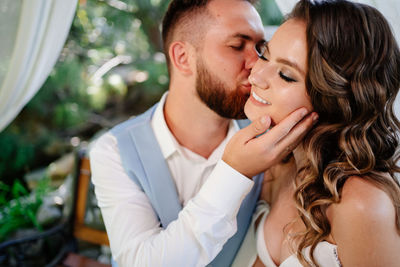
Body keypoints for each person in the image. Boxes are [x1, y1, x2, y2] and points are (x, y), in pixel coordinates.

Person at [89, 0, 316, 266]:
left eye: (260, 48)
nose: (257, 65)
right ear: (183, 58)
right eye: (236, 46)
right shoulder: (113, 151)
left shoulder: (274, 136)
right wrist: (235, 172)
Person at [225, 0, 400, 266]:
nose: (255, 75)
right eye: (265, 54)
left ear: (335, 98)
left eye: (285, 74)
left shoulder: (361, 204)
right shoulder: (279, 167)